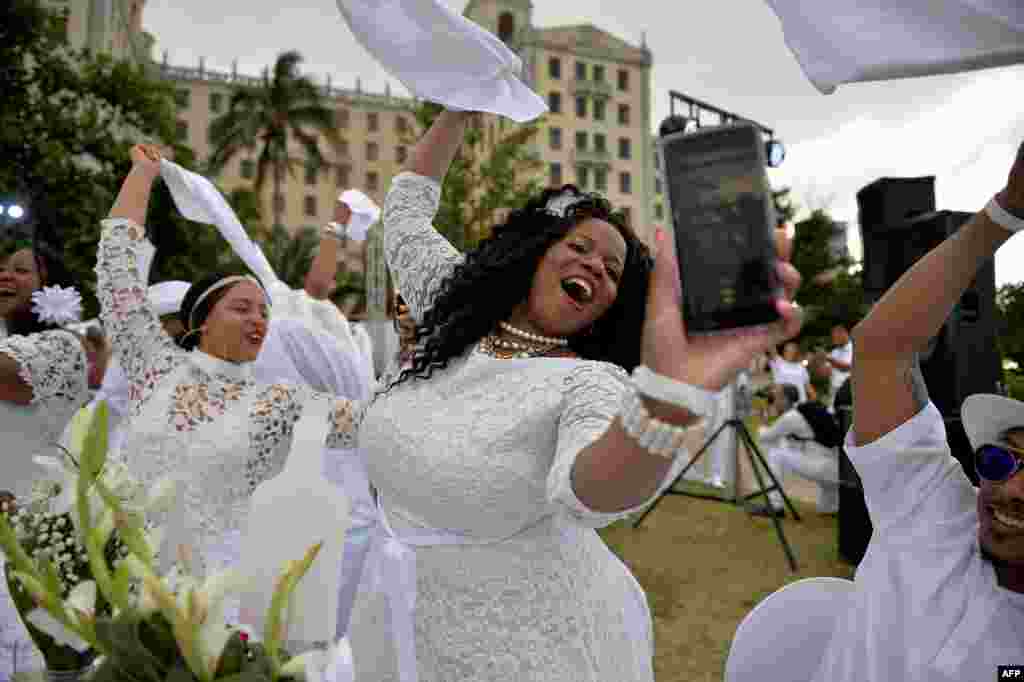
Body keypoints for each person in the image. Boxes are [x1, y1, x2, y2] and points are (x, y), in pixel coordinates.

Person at [342, 108, 803, 682]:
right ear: (534, 251)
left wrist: (666, 399)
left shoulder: (586, 382)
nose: (596, 268)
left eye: (612, 272)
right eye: (582, 247)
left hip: (518, 653)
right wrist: (463, 99)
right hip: (391, 625)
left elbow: (592, 491)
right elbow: (406, 215)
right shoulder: (454, 306)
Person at [809, 141, 1024, 680]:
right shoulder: (932, 509)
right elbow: (881, 351)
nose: (1011, 490)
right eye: (1001, 461)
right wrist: (1005, 212)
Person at [0, 237, 93, 678]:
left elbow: (9, 377)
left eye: (21, 269)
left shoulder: (63, 348)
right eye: (3, 267)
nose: (5, 275)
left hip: (32, 538)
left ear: (50, 288)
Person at [747, 368, 840, 518]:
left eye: (775, 397)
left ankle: (775, 506)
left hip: (824, 467)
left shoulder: (792, 417)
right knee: (826, 510)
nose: (772, 400)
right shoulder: (807, 410)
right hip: (837, 469)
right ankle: (834, 506)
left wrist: (763, 421)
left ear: (784, 399)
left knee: (776, 455)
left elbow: (765, 437)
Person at [826, 323, 853, 406]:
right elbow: (826, 372)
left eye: (835, 336)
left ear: (844, 333)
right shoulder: (834, 352)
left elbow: (848, 367)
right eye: (833, 336)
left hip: (848, 395)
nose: (833, 338)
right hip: (833, 395)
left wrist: (830, 359)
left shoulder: (854, 348)